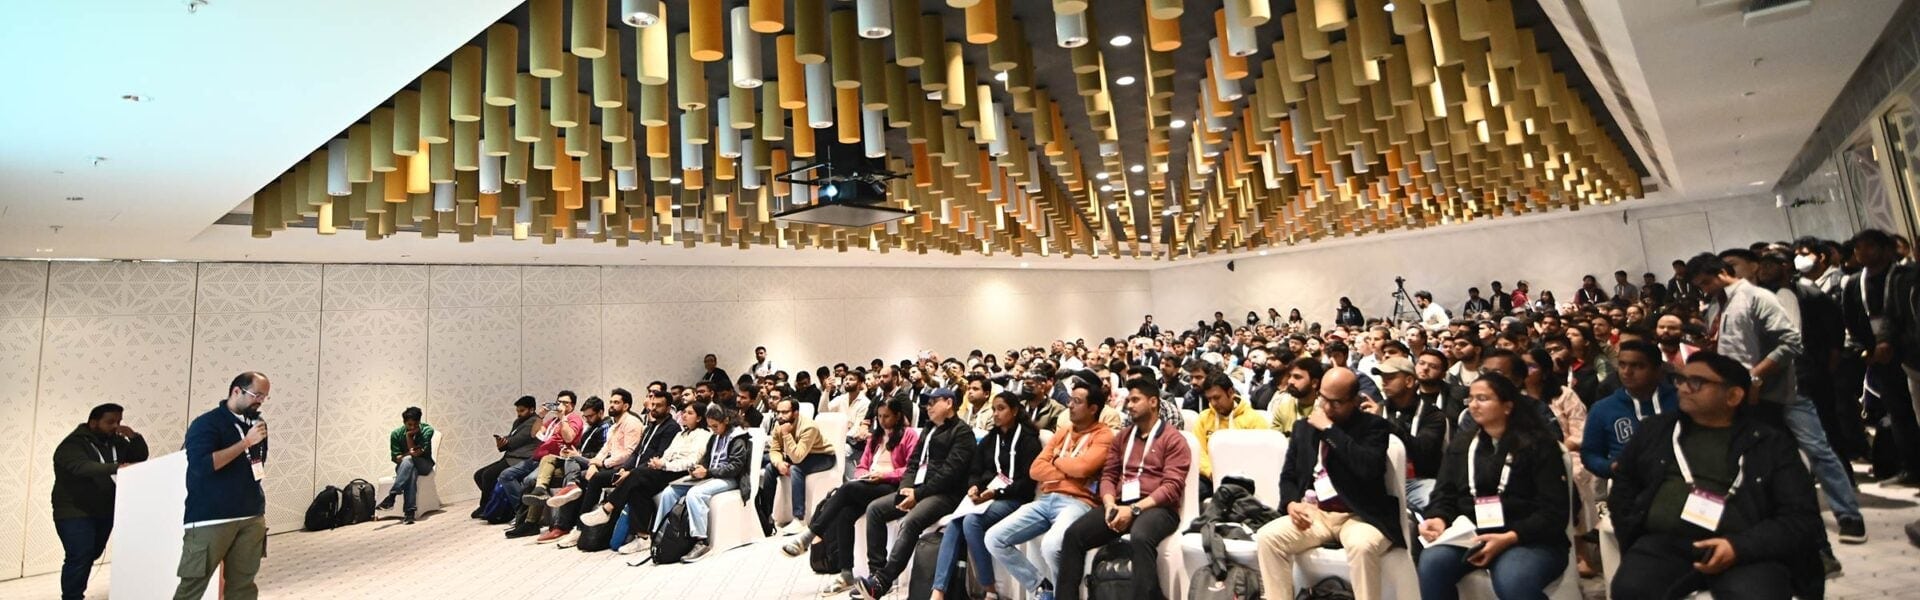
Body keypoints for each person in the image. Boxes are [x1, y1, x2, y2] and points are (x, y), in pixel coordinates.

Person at [1607, 353, 1825, 599]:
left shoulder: (1770, 443)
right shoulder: (1656, 431)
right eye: (1680, 379)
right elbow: (1623, 485)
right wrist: (1633, 530)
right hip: (1664, 544)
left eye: (1696, 382)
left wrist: (1739, 547)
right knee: (1631, 590)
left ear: (1733, 396)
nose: (1683, 388)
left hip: (1745, 550)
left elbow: (1801, 518)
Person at [1416, 374, 1570, 600]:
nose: (1473, 405)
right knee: (1432, 563)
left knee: (1513, 580)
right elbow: (1444, 492)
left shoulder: (1539, 445)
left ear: (1507, 406)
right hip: (1473, 534)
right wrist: (1438, 517)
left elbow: (1553, 511)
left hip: (1528, 538)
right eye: (1471, 399)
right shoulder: (1463, 443)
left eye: (1483, 398)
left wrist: (1509, 537)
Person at [1255, 367, 1399, 600]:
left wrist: (1330, 430)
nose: (1327, 407)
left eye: (1336, 402)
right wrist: (1291, 503)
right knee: (1268, 538)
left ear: (1354, 400)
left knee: (1362, 547)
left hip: (1359, 514)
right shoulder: (1303, 428)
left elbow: (1368, 469)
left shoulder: (1373, 427)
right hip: (1317, 513)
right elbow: (1288, 476)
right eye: (1323, 398)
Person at [1055, 378, 1191, 600]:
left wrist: (1134, 510)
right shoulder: (1123, 437)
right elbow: (1108, 475)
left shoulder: (1173, 439)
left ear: (1154, 402)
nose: (1129, 405)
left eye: (1136, 400)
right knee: (1073, 536)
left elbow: (1171, 488)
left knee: (1140, 536)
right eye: (1128, 400)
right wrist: (1109, 504)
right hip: (1119, 504)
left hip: (1158, 508)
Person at [985, 386, 1114, 600]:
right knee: (994, 538)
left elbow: (1083, 468)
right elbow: (1035, 470)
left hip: (1077, 502)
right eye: (1070, 400)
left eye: (1077, 401)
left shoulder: (1104, 435)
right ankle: (1042, 588)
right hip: (1046, 499)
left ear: (1093, 408)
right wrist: (1069, 470)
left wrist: (1056, 462)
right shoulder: (1064, 431)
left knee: (1052, 545)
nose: (1070, 405)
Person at [783, 398, 919, 596]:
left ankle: (810, 534)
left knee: (845, 491)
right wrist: (862, 476)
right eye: (879, 416)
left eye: (887, 416)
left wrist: (884, 475)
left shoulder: (909, 435)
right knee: (845, 512)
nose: (882, 420)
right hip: (870, 483)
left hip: (893, 486)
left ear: (898, 416)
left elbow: (910, 468)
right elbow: (863, 465)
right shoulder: (875, 438)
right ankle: (847, 572)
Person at [856, 388, 978, 599]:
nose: (927, 407)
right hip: (919, 490)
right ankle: (874, 575)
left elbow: (950, 474)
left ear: (949, 403)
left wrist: (918, 495)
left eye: (933, 402)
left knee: (911, 521)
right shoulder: (929, 428)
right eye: (926, 403)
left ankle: (882, 583)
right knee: (875, 509)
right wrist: (907, 488)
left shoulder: (962, 432)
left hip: (946, 494)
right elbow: (913, 464)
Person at [929, 391, 1043, 600]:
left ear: (1015, 411)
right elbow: (976, 470)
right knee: (955, 522)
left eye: (1001, 409)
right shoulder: (992, 439)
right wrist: (973, 486)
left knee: (971, 522)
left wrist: (996, 492)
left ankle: (989, 589)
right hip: (988, 496)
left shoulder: (1029, 440)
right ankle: (939, 590)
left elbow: (1026, 484)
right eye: (994, 409)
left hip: (1014, 497)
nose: (996, 414)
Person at [175, 372, 271, 600]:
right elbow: (202, 466)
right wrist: (245, 442)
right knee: (193, 586)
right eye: (256, 394)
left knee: (243, 585)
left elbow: (257, 462)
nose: (260, 401)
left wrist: (251, 442)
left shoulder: (257, 424)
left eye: (265, 397)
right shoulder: (206, 424)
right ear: (236, 391)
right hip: (212, 518)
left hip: (251, 514)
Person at [52, 403, 148, 600]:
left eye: (118, 421)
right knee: (80, 554)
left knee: (92, 553)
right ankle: (72, 596)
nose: (115, 426)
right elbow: (82, 467)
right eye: (110, 422)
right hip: (73, 510)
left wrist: (134, 436)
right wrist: (117, 467)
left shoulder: (116, 442)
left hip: (104, 510)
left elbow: (139, 456)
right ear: (93, 422)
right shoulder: (72, 445)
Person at [589, 398, 705, 554]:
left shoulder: (703, 435)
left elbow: (691, 461)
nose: (684, 415)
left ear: (699, 418)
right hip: (666, 469)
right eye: (684, 412)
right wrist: (659, 462)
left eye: (690, 413)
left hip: (682, 473)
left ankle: (608, 507)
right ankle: (643, 537)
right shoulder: (681, 434)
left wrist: (664, 465)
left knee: (636, 474)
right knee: (638, 488)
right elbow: (667, 454)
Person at [652, 403, 752, 562]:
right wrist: (699, 469)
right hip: (712, 476)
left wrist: (708, 472)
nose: (713, 429)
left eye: (715, 426)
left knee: (695, 494)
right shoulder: (715, 437)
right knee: (669, 492)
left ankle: (701, 541)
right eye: (710, 426)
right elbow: (707, 460)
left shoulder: (738, 438)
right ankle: (661, 535)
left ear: (726, 420)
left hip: (731, 479)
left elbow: (735, 467)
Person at [1582, 341, 1679, 479]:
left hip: (1675, 481)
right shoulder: (1602, 409)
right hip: (1627, 485)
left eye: (1638, 366)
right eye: (1622, 365)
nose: (1627, 372)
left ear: (1658, 370)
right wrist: (1610, 466)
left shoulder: (1679, 402)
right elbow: (1590, 454)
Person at [1367, 356, 1447, 514]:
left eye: (1390, 377)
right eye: (1382, 378)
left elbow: (1423, 451)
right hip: (1380, 482)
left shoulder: (1432, 414)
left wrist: (1383, 424)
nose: (1384, 382)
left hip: (1416, 481)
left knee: (1436, 499)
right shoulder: (1378, 409)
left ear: (1409, 381)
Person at [756, 397, 837, 536]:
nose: (780, 416)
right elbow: (774, 450)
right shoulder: (778, 425)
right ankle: (767, 516)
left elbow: (797, 457)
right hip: (798, 455)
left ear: (795, 413)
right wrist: (779, 463)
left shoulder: (808, 427)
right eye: (778, 412)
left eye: (785, 412)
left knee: (796, 469)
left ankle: (799, 519)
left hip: (822, 456)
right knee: (770, 468)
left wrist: (786, 434)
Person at [1194, 371, 1269, 497]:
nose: (1213, 403)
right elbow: (1199, 452)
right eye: (1209, 399)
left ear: (1230, 393)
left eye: (1217, 397)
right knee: (1189, 489)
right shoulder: (1204, 418)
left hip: (1244, 479)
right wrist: (1211, 472)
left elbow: (1261, 456)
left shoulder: (1254, 419)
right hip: (1210, 477)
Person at [472, 395, 538, 519]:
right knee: (478, 475)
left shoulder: (534, 422)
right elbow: (510, 440)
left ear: (532, 410)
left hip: (521, 459)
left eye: (522, 410)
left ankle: (485, 506)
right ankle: (493, 504)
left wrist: (505, 442)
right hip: (510, 456)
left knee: (488, 475)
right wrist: (502, 443)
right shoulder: (518, 422)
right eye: (518, 411)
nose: (519, 414)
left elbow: (517, 440)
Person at [377, 406, 434, 524]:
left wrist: (408, 437)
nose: (412, 427)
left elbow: (417, 453)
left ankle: (392, 496)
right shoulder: (396, 434)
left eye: (415, 424)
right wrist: (408, 453)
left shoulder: (427, 430)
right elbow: (397, 458)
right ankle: (409, 513)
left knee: (409, 460)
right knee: (411, 471)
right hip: (405, 466)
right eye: (409, 425)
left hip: (424, 465)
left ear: (420, 421)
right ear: (404, 423)